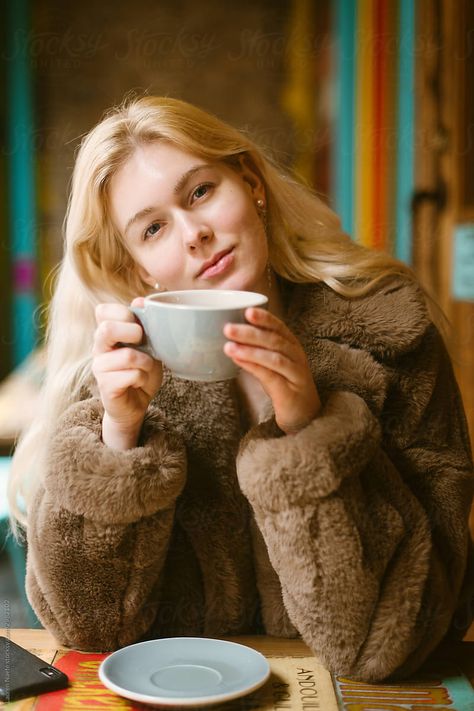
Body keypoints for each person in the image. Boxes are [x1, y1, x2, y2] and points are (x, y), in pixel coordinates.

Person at [9, 95, 474, 682]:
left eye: (200, 191)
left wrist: (310, 429)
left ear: (250, 182)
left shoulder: (391, 338)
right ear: (137, 270)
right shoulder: (117, 374)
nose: (194, 233)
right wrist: (119, 436)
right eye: (153, 228)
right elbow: (90, 630)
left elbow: (392, 641)